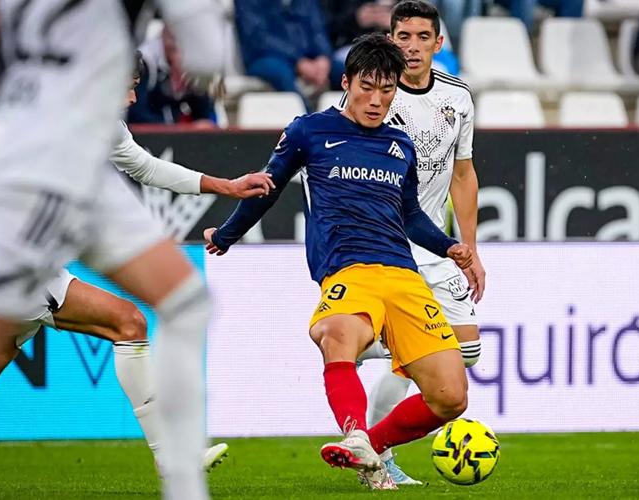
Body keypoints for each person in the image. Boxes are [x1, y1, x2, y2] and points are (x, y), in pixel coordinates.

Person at [0, 1, 231, 499]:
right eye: (130, 83)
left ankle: (177, 468)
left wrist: (224, 186)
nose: (135, 93)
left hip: (64, 211)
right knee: (133, 322)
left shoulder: (102, 122)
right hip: (34, 212)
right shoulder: (42, 103)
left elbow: (145, 168)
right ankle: (176, 469)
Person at [203, 33, 474, 490]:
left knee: (452, 397)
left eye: (387, 90)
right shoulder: (309, 131)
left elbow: (410, 216)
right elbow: (265, 188)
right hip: (350, 270)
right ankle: (354, 435)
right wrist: (227, 235)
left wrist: (448, 245)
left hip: (404, 276)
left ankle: (367, 445)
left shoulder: (400, 145)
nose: (376, 99)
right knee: (336, 335)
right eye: (367, 87)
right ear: (345, 82)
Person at [351, 0, 483, 486]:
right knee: (419, 355)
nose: (411, 46)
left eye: (421, 37)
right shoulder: (376, 97)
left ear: (438, 43)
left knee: (467, 353)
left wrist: (470, 248)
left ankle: (370, 350)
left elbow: (464, 176)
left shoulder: (459, 98)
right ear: (389, 40)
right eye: (402, 36)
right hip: (386, 247)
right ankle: (377, 450)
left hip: (436, 246)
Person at [129, 28, 217, 127]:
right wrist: (179, 130)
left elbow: (204, 113)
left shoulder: (192, 59)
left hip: (171, 128)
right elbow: (136, 113)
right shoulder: (146, 62)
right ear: (164, 36)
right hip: (147, 130)